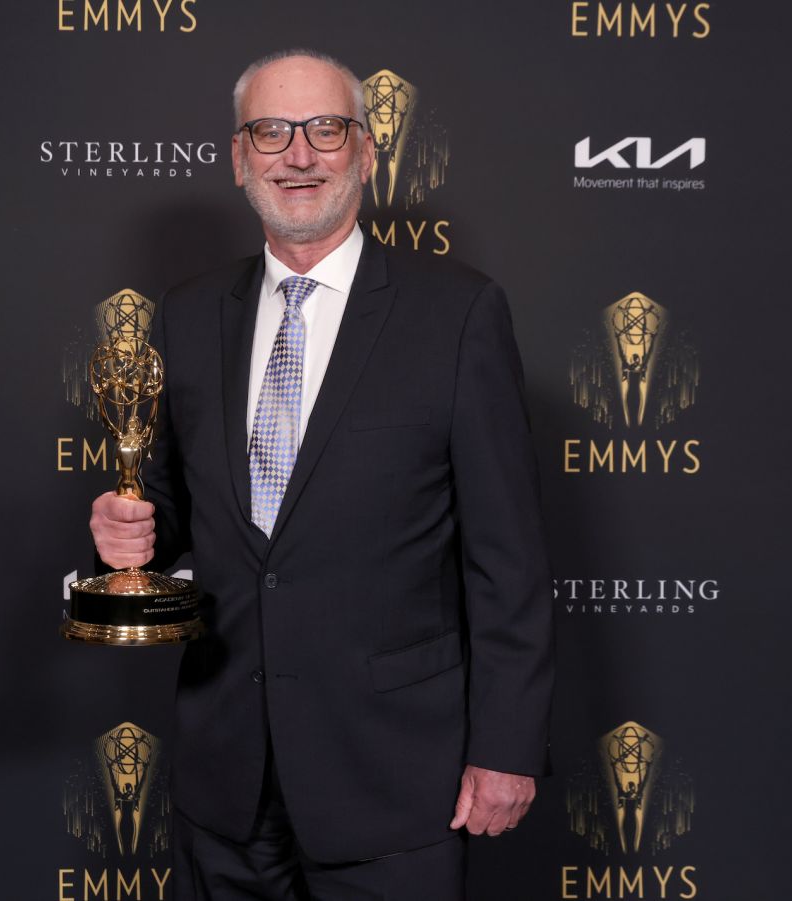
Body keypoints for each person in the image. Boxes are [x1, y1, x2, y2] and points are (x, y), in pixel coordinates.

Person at [90, 49, 554, 899]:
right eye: (270, 132)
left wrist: (506, 747)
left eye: (325, 130)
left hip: (395, 780)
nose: (297, 155)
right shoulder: (189, 315)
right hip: (225, 779)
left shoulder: (458, 314)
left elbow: (508, 558)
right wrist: (124, 531)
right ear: (239, 159)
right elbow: (168, 508)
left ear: (367, 152)